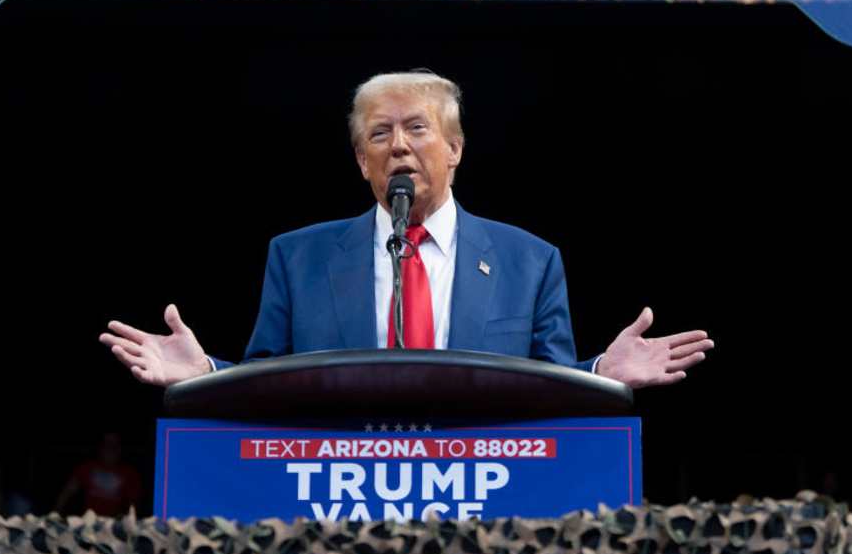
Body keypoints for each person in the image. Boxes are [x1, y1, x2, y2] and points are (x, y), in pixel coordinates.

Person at [101, 71, 713, 388]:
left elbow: (547, 388)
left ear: (455, 148)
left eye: (417, 129)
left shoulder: (531, 261)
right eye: (378, 134)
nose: (399, 146)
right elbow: (270, 383)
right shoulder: (298, 258)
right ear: (362, 162)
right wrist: (207, 373)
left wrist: (600, 374)